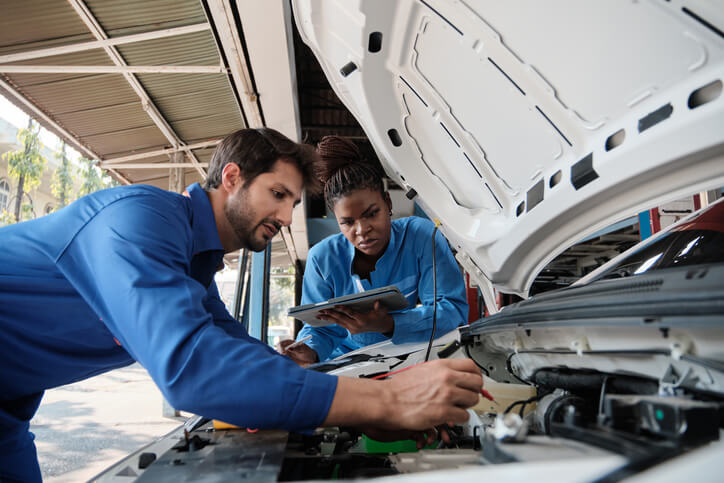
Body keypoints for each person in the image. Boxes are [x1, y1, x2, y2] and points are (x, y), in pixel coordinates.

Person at [0, 128, 483, 482]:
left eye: (292, 203)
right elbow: (195, 370)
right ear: (232, 177)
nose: (286, 215)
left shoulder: (193, 264)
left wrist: (302, 370)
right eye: (277, 194)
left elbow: (236, 349)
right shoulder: (137, 221)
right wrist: (388, 400)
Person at [279, 136, 468, 364]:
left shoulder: (420, 236)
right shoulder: (322, 258)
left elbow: (451, 310)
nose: (362, 230)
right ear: (337, 220)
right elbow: (320, 330)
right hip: (347, 362)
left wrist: (389, 324)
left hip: (408, 356)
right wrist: (306, 351)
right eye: (348, 222)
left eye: (371, 214)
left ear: (387, 203)